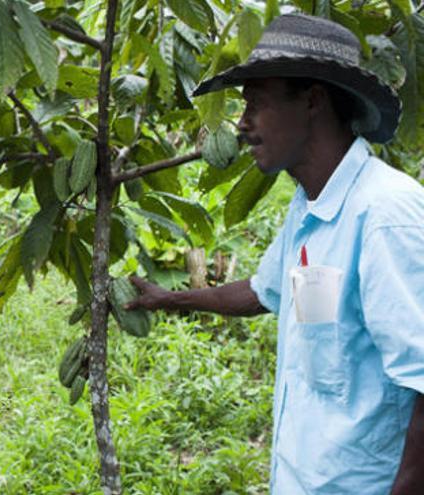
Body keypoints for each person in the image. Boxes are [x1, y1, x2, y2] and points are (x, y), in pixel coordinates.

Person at [127, 14, 424, 494]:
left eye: (256, 104)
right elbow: (264, 292)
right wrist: (168, 300)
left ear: (311, 101)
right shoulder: (311, 207)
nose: (242, 125)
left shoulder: (385, 216)